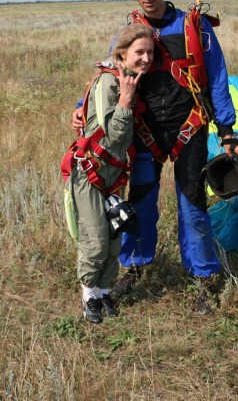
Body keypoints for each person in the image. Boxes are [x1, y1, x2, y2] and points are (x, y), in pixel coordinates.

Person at [73, 0, 238, 311]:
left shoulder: (195, 27)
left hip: (189, 129)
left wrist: (227, 131)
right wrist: (82, 107)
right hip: (144, 132)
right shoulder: (131, 33)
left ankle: (202, 278)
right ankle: (136, 267)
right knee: (139, 203)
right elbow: (108, 72)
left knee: (193, 204)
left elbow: (217, 77)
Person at [63, 24, 154, 323]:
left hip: (114, 174)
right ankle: (89, 296)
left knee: (115, 237)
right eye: (139, 52)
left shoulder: (127, 79)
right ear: (122, 53)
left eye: (150, 52)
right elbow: (113, 137)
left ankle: (104, 291)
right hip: (90, 172)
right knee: (96, 240)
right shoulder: (110, 82)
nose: (145, 58)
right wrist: (125, 102)